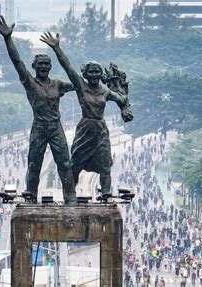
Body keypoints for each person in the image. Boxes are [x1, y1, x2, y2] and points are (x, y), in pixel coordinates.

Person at [0, 16, 76, 204]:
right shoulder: (30, 83)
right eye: (41, 64)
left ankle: (71, 198)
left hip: (56, 127)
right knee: (34, 164)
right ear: (35, 67)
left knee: (64, 163)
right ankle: (31, 196)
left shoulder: (58, 85)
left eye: (47, 64)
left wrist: (57, 48)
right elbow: (17, 62)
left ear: (50, 66)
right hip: (39, 127)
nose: (44, 67)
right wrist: (8, 38)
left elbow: (78, 84)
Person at [40, 32, 133, 197]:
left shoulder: (105, 91)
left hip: (100, 130)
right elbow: (67, 67)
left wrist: (120, 86)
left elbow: (121, 99)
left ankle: (106, 194)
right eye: (92, 72)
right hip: (85, 129)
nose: (95, 75)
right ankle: (70, 195)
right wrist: (56, 48)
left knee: (105, 166)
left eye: (98, 72)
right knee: (75, 165)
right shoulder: (81, 86)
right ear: (86, 74)